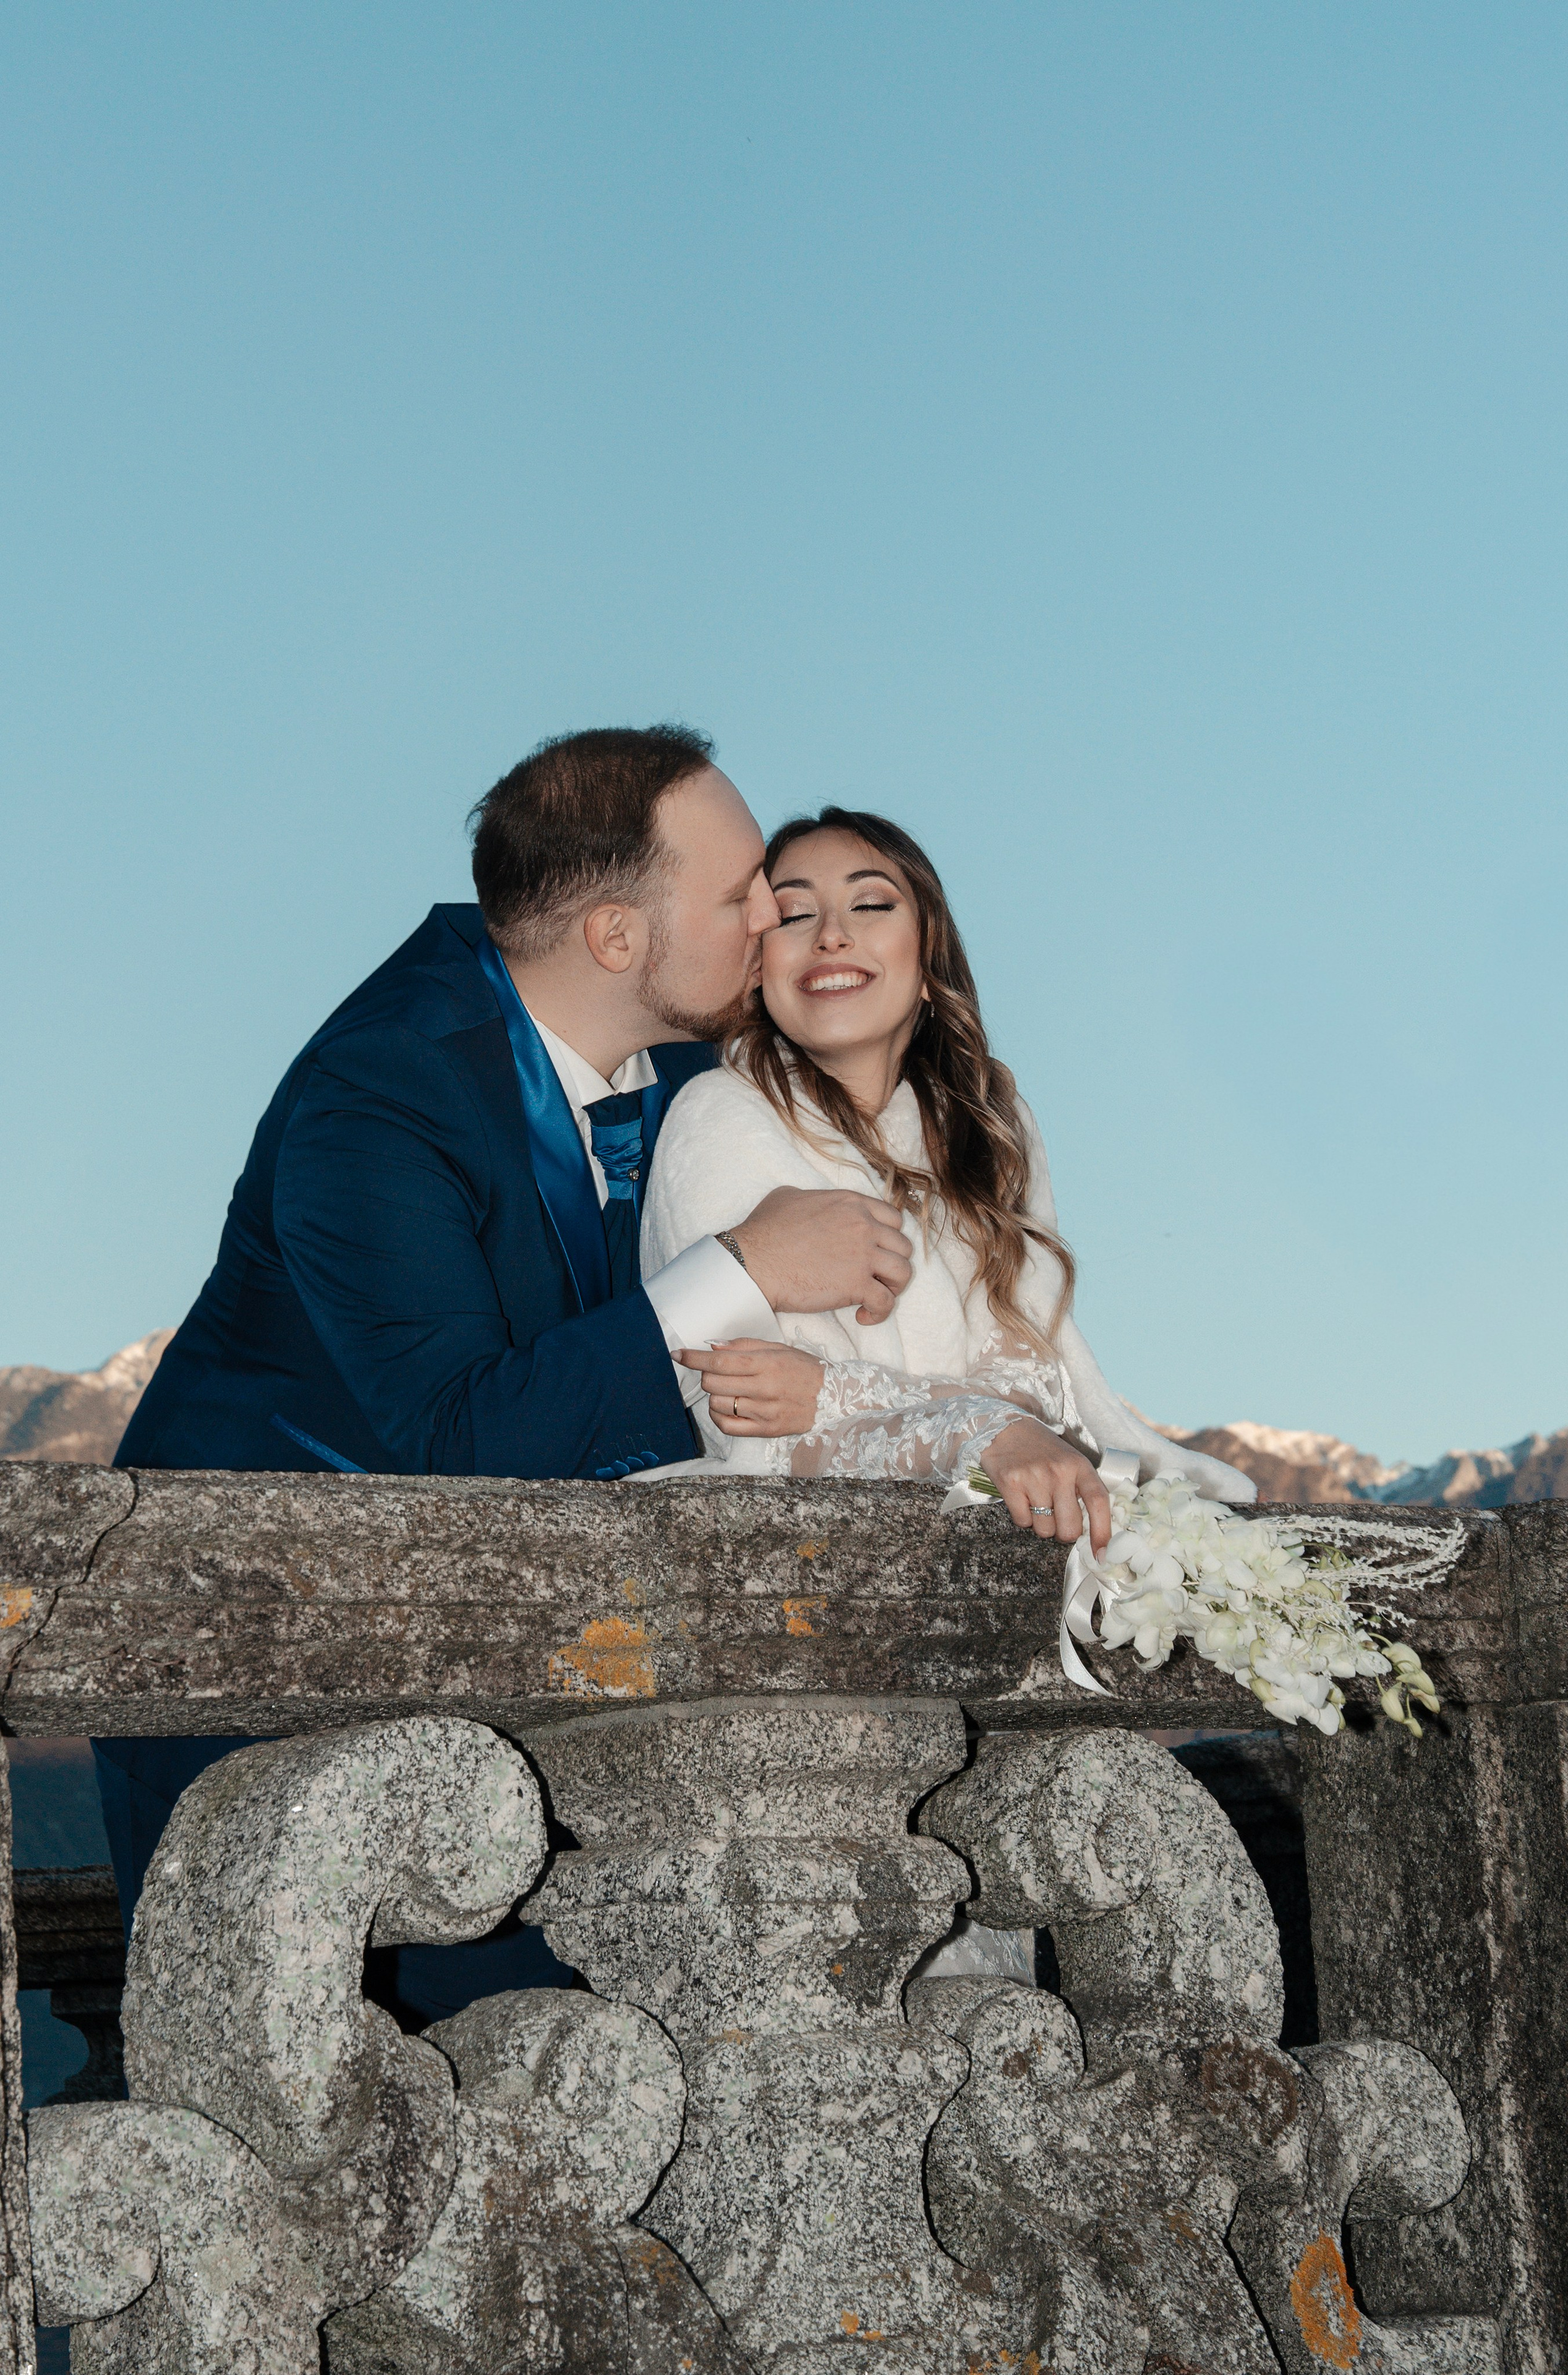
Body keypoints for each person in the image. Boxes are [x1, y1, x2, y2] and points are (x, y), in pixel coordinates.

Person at [101, 729, 918, 2021]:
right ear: (614, 937)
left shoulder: (691, 1062)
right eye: (741, 896)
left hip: (519, 1662)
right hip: (274, 1685)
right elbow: (455, 1441)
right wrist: (744, 1268)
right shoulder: (382, 1091)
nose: (775, 919)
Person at [642, 805, 1256, 1521]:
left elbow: (1033, 1385)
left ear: (930, 962)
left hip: (971, 1515)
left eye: (871, 904)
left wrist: (839, 1392)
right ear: (757, 967)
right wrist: (979, 1426)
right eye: (793, 915)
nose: (831, 934)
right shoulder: (715, 1119)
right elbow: (752, 1424)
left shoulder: (988, 1122)